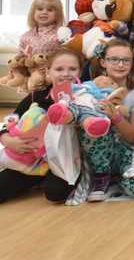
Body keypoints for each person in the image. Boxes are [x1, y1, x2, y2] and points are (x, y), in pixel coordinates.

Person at [0, 48, 80, 203]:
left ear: (80, 72)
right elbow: (10, 121)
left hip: (65, 160)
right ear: (48, 73)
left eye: (72, 69)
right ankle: (34, 178)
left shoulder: (83, 98)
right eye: (59, 69)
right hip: (29, 160)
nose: (66, 73)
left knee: (56, 192)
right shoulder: (35, 97)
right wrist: (7, 139)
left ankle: (43, 179)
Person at [81, 39, 134, 201]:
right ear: (103, 62)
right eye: (114, 60)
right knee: (92, 127)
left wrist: (116, 117)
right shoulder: (90, 88)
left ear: (132, 63)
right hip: (97, 151)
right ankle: (101, 175)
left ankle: (117, 177)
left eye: (126, 60)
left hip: (126, 149)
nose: (120, 65)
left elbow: (133, 136)